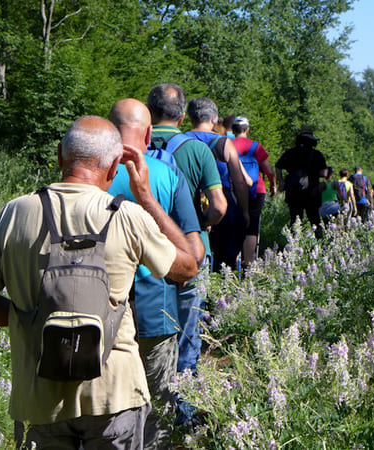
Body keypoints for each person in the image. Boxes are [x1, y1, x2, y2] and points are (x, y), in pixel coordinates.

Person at [0, 116, 197, 449]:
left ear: (59, 156)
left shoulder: (13, 214)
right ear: (115, 166)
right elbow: (187, 267)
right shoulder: (128, 216)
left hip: (39, 399)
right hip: (115, 394)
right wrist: (145, 196)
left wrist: (29, 318)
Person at [107, 98, 202, 448]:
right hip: (153, 315)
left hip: (96, 315)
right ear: (149, 134)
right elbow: (195, 255)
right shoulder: (164, 173)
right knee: (155, 414)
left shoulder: (87, 169)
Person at [146, 83, 223, 424]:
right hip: (189, 251)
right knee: (187, 332)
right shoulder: (197, 149)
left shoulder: (136, 145)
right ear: (182, 115)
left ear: (151, 112)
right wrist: (203, 226)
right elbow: (219, 205)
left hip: (145, 252)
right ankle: (184, 412)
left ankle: (147, 409)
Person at [184, 97, 250, 273]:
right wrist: (244, 211)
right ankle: (222, 296)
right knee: (226, 260)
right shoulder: (223, 143)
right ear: (213, 119)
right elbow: (240, 182)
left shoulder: (180, 140)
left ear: (190, 118)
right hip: (222, 201)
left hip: (190, 201)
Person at [231, 116, 276, 270]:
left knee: (236, 223)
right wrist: (273, 185)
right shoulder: (256, 146)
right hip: (257, 189)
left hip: (235, 188)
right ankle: (249, 263)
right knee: (252, 225)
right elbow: (269, 170)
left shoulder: (227, 145)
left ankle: (233, 260)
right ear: (247, 130)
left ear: (233, 130)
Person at [275, 125, 327, 233]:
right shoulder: (317, 155)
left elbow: (278, 166)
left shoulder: (290, 153)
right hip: (311, 192)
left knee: (295, 220)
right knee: (315, 220)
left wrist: (281, 182)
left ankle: (294, 243)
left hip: (293, 191)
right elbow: (324, 173)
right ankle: (319, 244)